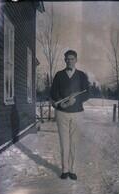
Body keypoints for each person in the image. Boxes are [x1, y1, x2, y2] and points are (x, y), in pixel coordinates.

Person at [50, 50, 89, 180]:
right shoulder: (59, 75)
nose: (69, 61)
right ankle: (65, 170)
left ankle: (72, 170)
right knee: (64, 143)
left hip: (77, 114)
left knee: (74, 144)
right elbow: (53, 93)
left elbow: (87, 93)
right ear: (64, 60)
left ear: (76, 60)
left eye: (72, 59)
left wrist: (76, 100)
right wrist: (62, 104)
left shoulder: (82, 75)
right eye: (67, 59)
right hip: (62, 113)